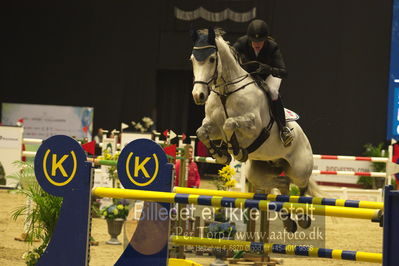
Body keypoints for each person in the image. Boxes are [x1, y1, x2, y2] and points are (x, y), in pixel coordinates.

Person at [233, 19, 294, 147]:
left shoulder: (272, 47)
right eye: (254, 41)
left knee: (273, 92)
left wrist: (267, 68)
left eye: (260, 41)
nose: (256, 44)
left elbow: (283, 72)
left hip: (269, 76)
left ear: (265, 39)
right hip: (249, 76)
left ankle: (283, 129)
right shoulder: (242, 43)